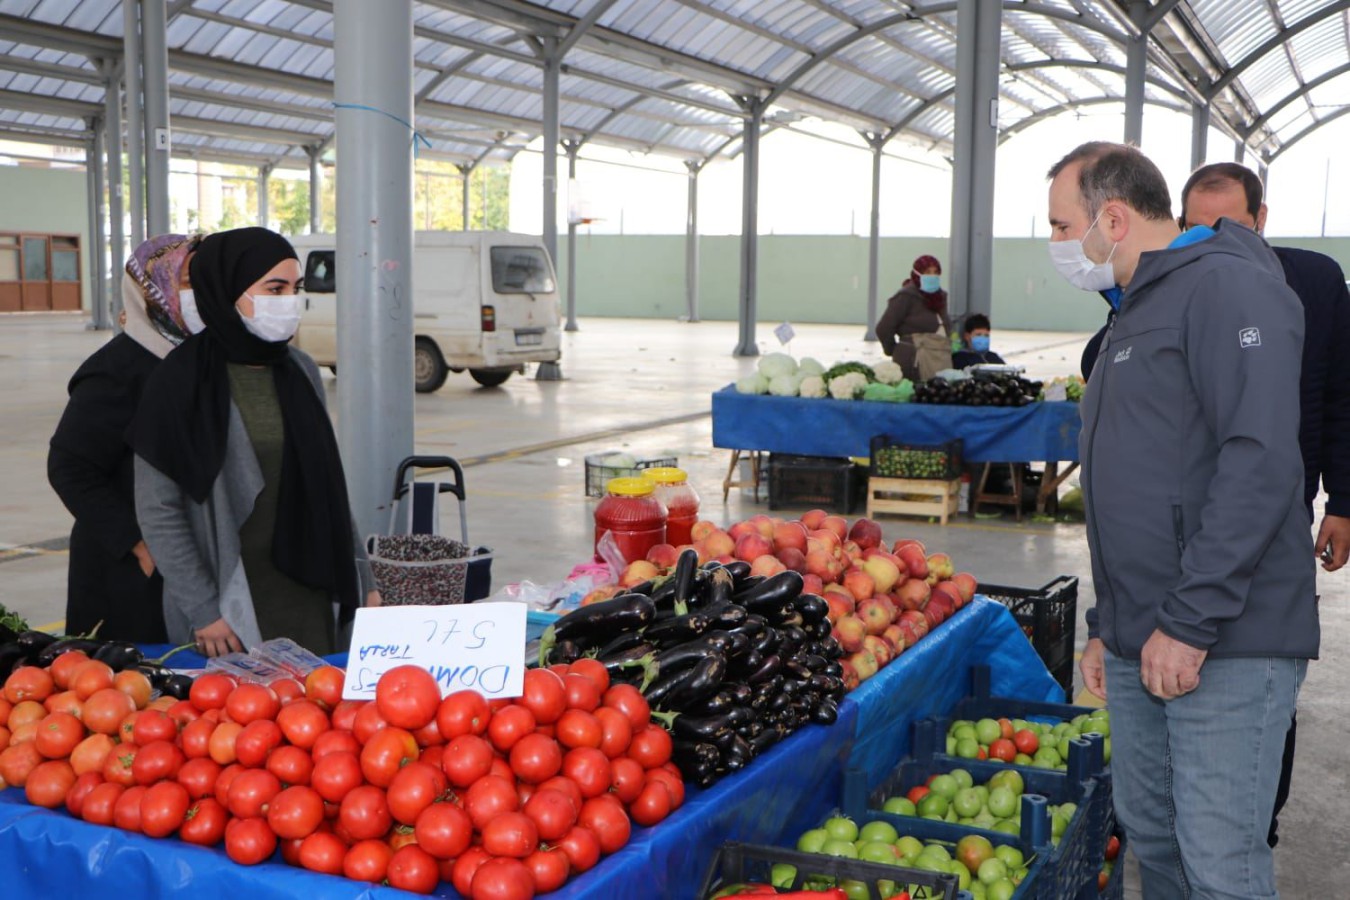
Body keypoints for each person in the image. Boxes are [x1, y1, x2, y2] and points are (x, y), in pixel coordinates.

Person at [1050, 142, 1316, 899]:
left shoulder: (1227, 289)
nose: (1060, 245)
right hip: (1144, 632)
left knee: (1218, 861)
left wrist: (1192, 619)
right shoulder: (1136, 306)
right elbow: (1140, 481)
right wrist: (1110, 621)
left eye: (1062, 226)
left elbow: (1260, 461)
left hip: (1222, 638)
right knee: (1156, 840)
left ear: (1113, 216)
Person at [1178, 161, 1350, 848]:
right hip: (1185, 514)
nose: (1214, 241)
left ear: (1262, 220)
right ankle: (1186, 812)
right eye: (1197, 228)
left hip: (1282, 510)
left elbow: (1342, 393)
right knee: (1183, 660)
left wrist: (1344, 497)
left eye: (1230, 226)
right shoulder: (1171, 282)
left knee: (1265, 669)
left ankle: (1259, 820)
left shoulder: (1314, 281)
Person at [130, 227, 379, 657]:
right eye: (274, 288)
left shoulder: (300, 370)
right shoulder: (179, 381)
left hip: (310, 589)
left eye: (295, 288)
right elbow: (159, 510)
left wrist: (365, 582)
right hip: (230, 604)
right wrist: (204, 610)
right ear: (227, 289)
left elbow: (329, 488)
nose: (288, 302)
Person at [47, 234, 203, 642]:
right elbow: (70, 467)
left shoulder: (198, 361)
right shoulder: (117, 371)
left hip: (183, 558)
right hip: (128, 566)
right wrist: (139, 544)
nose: (199, 292)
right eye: (187, 281)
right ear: (153, 289)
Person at [876, 254, 953, 382]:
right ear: (917, 274)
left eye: (936, 272)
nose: (932, 276)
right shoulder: (906, 296)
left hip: (940, 357)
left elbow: (946, 326)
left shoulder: (941, 297)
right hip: (914, 358)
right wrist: (894, 349)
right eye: (927, 272)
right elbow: (884, 328)